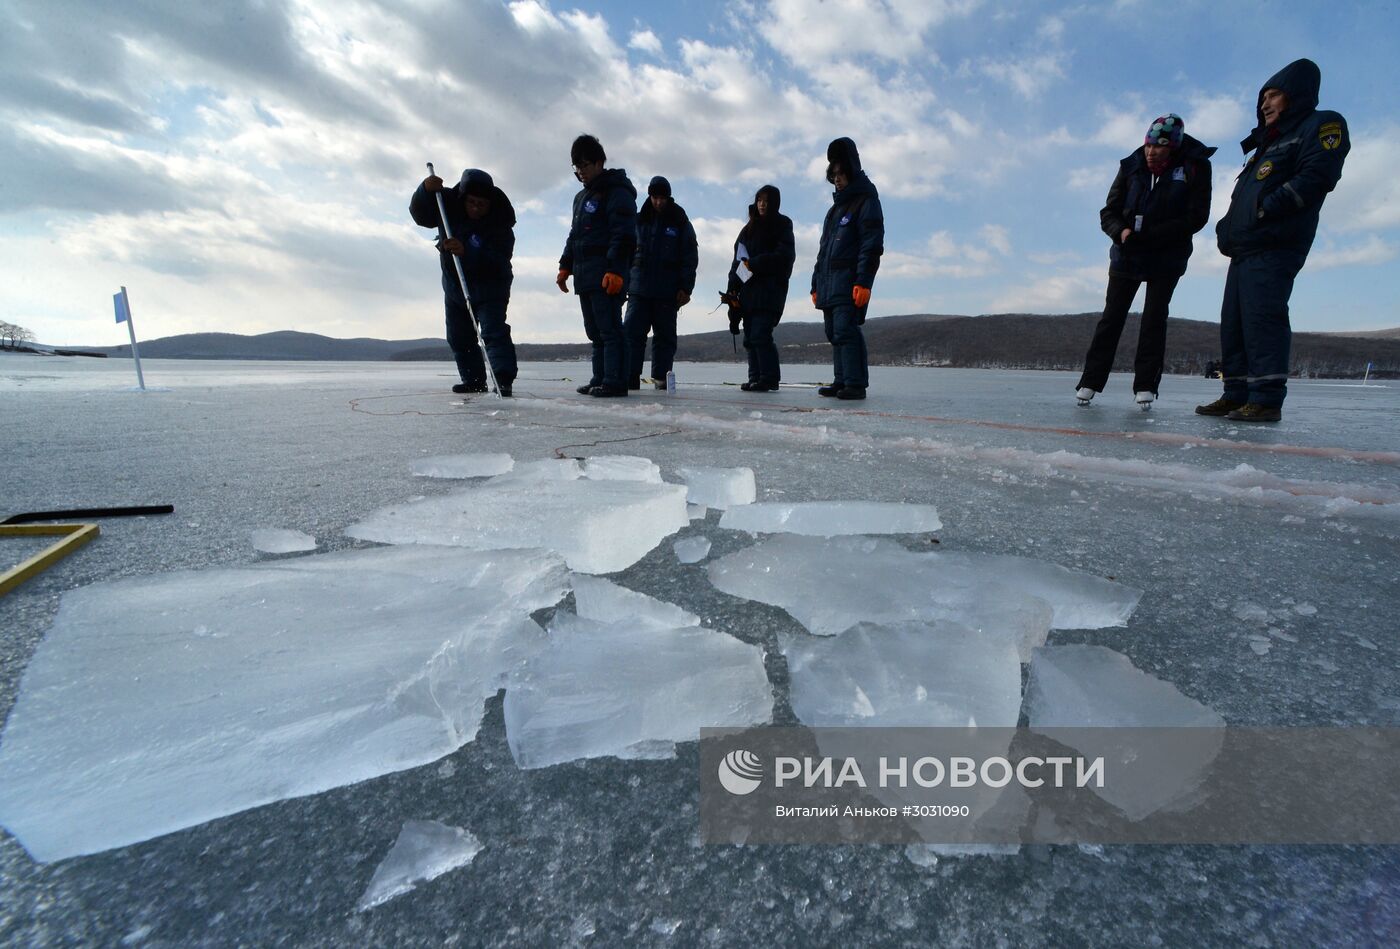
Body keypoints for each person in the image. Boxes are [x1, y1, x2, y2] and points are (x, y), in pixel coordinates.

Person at [1198, 58, 1350, 423]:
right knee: (1234, 323)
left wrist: (1265, 210)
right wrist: (1227, 227)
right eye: (1262, 97)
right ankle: (1236, 392)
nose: (1265, 104)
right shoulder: (1266, 145)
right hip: (1246, 247)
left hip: (1276, 243)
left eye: (1275, 95)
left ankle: (1265, 398)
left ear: (1295, 96)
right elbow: (1245, 197)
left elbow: (1317, 177)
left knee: (1263, 318)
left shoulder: (1322, 124)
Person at [1075, 114, 1216, 410]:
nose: (1152, 152)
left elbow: (1196, 216)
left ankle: (1145, 387)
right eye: (1149, 145)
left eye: (1160, 146)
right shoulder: (1131, 166)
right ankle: (1090, 382)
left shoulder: (1194, 166)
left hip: (1167, 256)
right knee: (1112, 317)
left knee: (1153, 319)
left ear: (1173, 147)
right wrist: (1122, 232)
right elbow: (1109, 212)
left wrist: (1154, 235)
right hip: (1127, 254)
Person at [410, 168, 519, 396]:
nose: (476, 208)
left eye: (482, 204)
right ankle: (473, 380)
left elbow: (499, 261)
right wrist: (424, 190)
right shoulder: (446, 205)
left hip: (491, 287)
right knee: (459, 336)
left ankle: (503, 380)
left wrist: (467, 251)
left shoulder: (501, 222)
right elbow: (421, 216)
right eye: (472, 202)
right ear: (463, 199)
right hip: (455, 286)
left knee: (493, 332)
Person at [557, 135, 638, 397]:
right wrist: (565, 265)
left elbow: (624, 233)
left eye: (585, 165)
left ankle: (615, 381)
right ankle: (600, 377)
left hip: (606, 273)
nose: (581, 172)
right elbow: (575, 235)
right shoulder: (581, 198)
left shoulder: (617, 192)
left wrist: (615, 270)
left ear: (600, 162)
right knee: (595, 331)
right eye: (576, 167)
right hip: (585, 274)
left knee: (610, 329)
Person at [811, 137, 883, 400]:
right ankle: (841, 380)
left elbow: (871, 244)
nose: (838, 179)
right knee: (833, 332)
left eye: (842, 173)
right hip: (829, 283)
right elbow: (823, 251)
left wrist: (863, 281)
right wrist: (815, 284)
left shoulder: (865, 201)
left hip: (849, 280)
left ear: (852, 171)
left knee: (845, 329)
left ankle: (855, 383)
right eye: (834, 174)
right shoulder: (834, 211)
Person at [624, 176, 698, 389]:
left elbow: (690, 256)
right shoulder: (638, 220)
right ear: (650, 196)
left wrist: (686, 287)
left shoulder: (680, 221)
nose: (659, 202)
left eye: (662, 198)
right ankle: (629, 377)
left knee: (665, 337)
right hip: (638, 288)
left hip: (667, 291)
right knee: (632, 334)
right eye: (655, 197)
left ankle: (661, 379)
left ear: (668, 197)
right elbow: (625, 252)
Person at [726, 184, 795, 391]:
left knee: (761, 334)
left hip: (771, 290)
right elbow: (738, 263)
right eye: (759, 200)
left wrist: (755, 264)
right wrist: (732, 291)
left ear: (774, 203)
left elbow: (785, 257)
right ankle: (755, 377)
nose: (762, 204)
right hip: (748, 292)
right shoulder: (748, 229)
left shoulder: (783, 225)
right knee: (749, 337)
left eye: (766, 201)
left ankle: (769, 378)